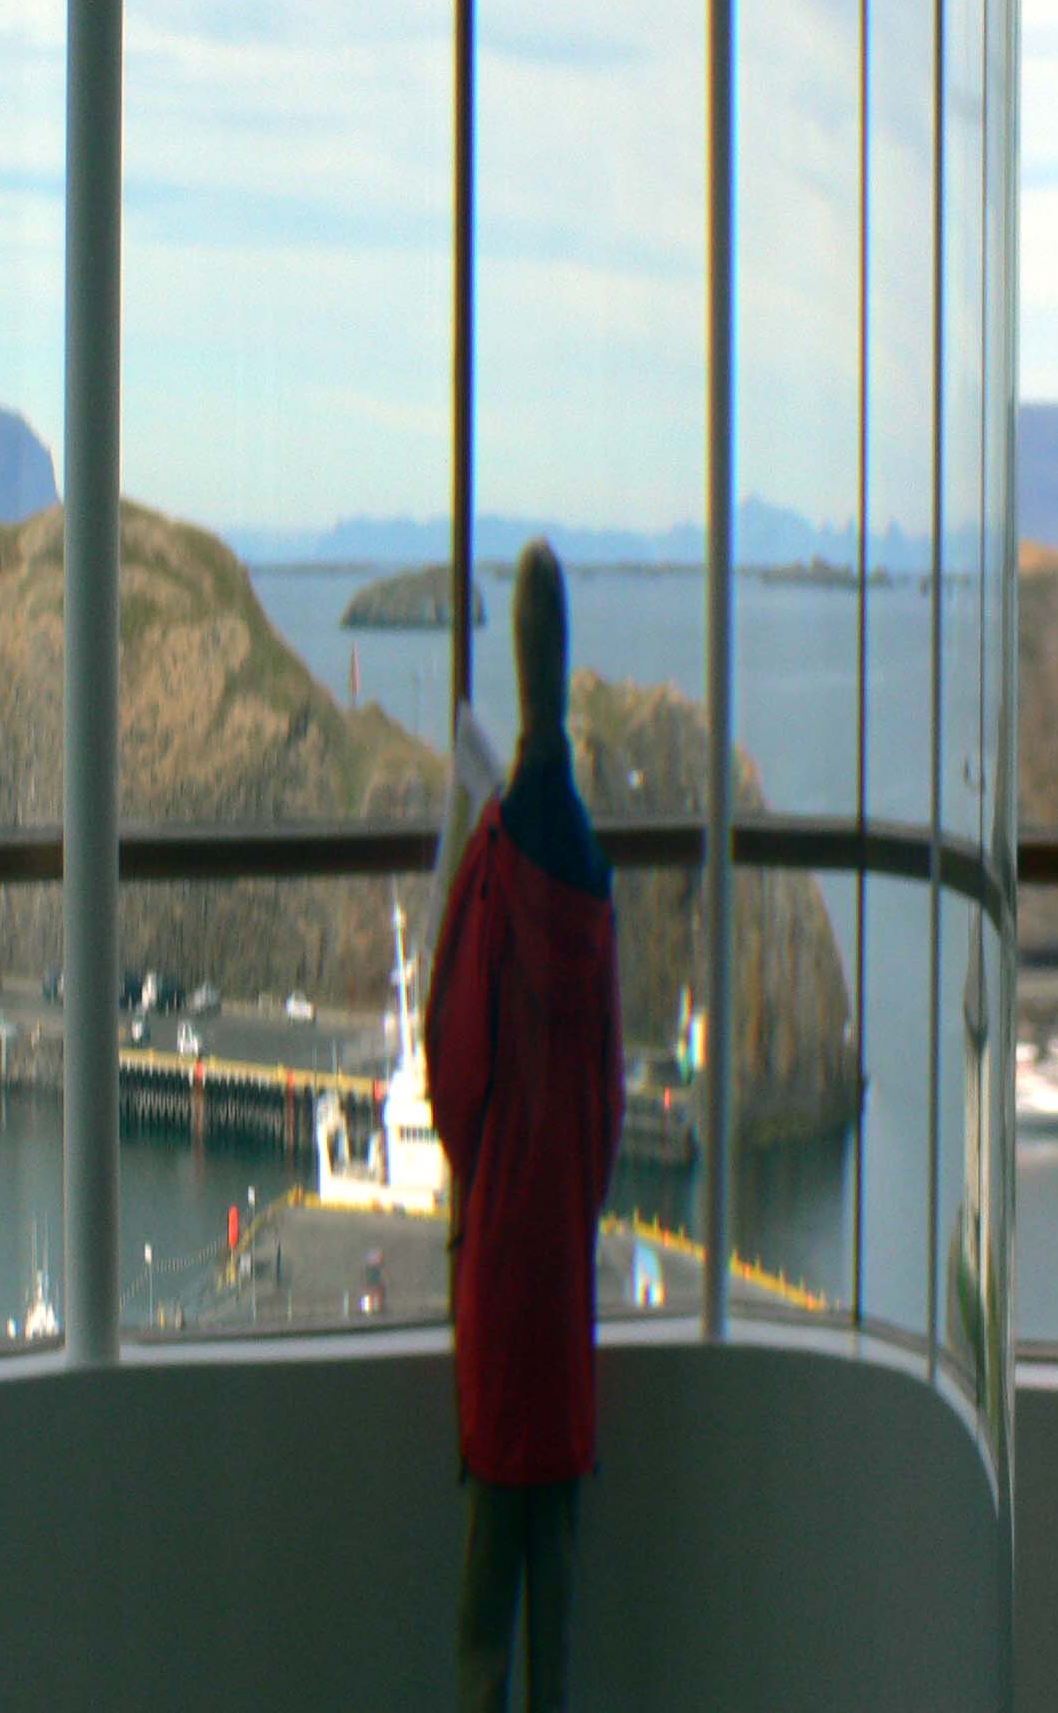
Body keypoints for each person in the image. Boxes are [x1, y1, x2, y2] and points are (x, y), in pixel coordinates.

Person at [426, 541, 620, 1713]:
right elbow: (602, 1097)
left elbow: (453, 1081)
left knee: (485, 1575)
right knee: (557, 1561)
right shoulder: (590, 879)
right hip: (564, 1254)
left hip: (502, 1244)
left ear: (516, 659)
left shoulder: (496, 871)